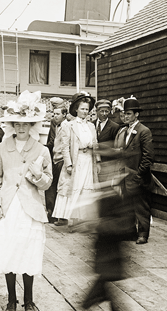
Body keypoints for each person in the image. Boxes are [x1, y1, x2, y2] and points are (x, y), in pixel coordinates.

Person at [47, 172, 154, 311]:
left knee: (84, 307)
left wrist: (95, 224)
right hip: (105, 265)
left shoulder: (124, 191)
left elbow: (126, 226)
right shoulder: (106, 191)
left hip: (112, 266)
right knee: (110, 309)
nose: (103, 170)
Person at [0, 91, 52, 311]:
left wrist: (37, 175)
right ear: (12, 125)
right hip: (7, 208)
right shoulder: (1, 148)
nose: (21, 128)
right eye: (17, 124)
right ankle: (11, 301)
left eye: (26, 124)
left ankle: (29, 301)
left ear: (32, 125)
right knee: (8, 253)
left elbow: (47, 184)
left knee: (27, 253)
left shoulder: (42, 149)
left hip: (30, 209)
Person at [52, 92, 98, 228]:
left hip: (88, 160)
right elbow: (65, 147)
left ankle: (80, 218)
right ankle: (70, 218)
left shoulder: (91, 126)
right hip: (76, 159)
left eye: (87, 109)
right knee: (73, 188)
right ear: (76, 109)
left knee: (85, 188)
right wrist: (69, 164)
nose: (85, 111)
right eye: (82, 108)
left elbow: (96, 143)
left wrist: (97, 158)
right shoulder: (69, 125)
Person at [113, 96, 155, 244]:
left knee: (141, 206)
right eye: (124, 113)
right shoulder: (125, 130)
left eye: (129, 113)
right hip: (125, 176)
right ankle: (130, 232)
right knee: (127, 206)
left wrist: (139, 175)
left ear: (137, 114)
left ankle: (143, 234)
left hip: (139, 177)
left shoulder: (144, 131)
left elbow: (148, 157)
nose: (126, 116)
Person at [45, 101, 68, 224]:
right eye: (54, 113)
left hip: (61, 160)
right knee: (52, 186)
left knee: (60, 188)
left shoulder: (66, 126)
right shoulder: (56, 125)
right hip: (55, 159)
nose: (55, 116)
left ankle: (61, 216)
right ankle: (52, 213)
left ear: (64, 115)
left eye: (58, 113)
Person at [94, 99, 121, 183]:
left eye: (107, 111)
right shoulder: (91, 124)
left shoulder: (114, 127)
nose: (104, 114)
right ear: (97, 111)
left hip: (106, 164)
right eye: (102, 111)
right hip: (92, 163)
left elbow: (115, 147)